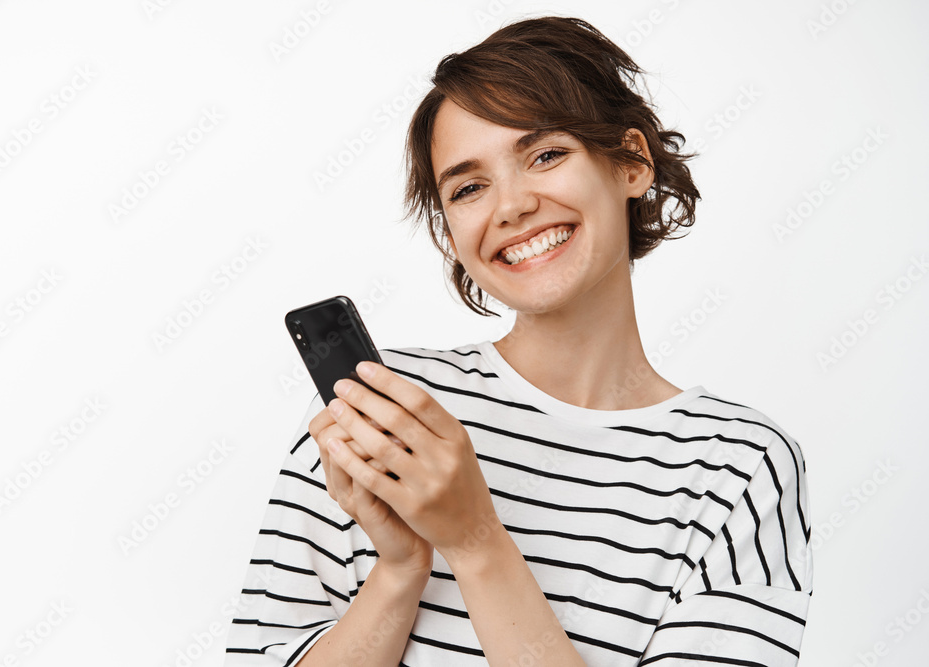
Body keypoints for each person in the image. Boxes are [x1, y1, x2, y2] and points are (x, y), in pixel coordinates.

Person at [224, 15, 812, 666]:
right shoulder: (384, 411)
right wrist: (397, 570)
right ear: (451, 233)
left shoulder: (739, 466)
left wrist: (475, 539)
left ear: (632, 163)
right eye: (470, 187)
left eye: (546, 154)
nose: (510, 206)